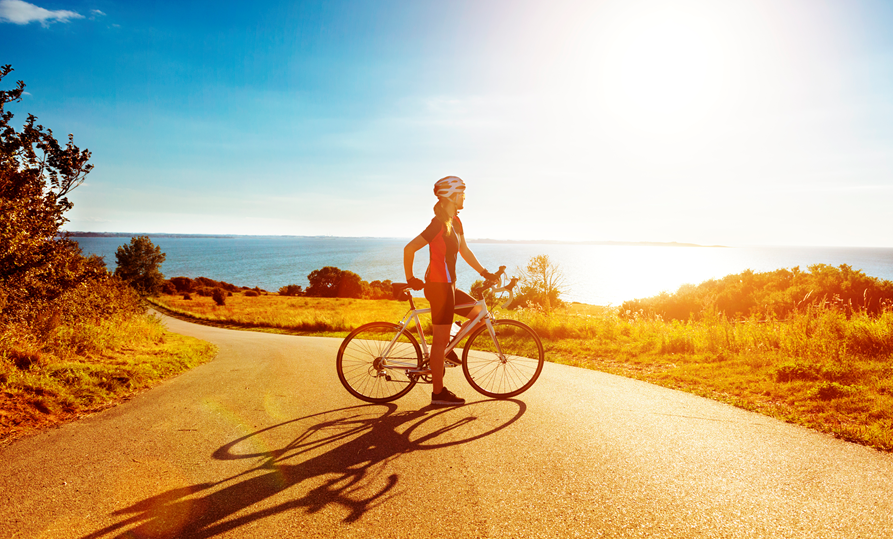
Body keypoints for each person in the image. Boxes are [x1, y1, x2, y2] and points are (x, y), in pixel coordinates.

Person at [404, 176, 495, 406]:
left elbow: (464, 250)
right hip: (438, 287)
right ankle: (438, 393)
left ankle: (446, 349)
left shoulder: (456, 222)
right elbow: (410, 248)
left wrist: (485, 273)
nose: (464, 197)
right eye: (461, 193)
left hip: (450, 285)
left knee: (478, 314)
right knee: (439, 342)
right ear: (451, 196)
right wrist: (410, 278)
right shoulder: (437, 223)